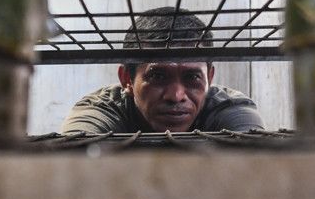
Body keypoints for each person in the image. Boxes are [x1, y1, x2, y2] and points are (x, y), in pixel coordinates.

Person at [60, 7, 266, 134]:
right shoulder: (101, 109)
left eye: (192, 77)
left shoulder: (230, 108)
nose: (176, 96)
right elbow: (69, 165)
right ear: (126, 80)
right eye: (157, 76)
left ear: (210, 77)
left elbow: (260, 167)